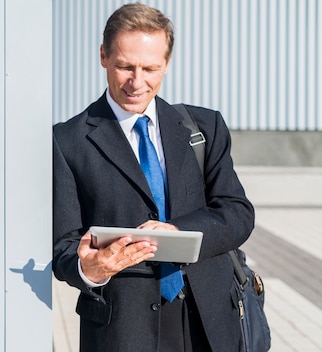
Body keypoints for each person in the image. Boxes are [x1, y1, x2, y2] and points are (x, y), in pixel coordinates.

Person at [53, 3, 255, 352]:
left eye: (150, 68)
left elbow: (237, 212)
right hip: (122, 329)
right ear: (103, 56)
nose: (137, 82)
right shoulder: (67, 141)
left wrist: (177, 231)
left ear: (168, 63)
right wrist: (91, 270)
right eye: (124, 66)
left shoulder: (203, 128)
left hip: (208, 320)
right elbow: (64, 247)